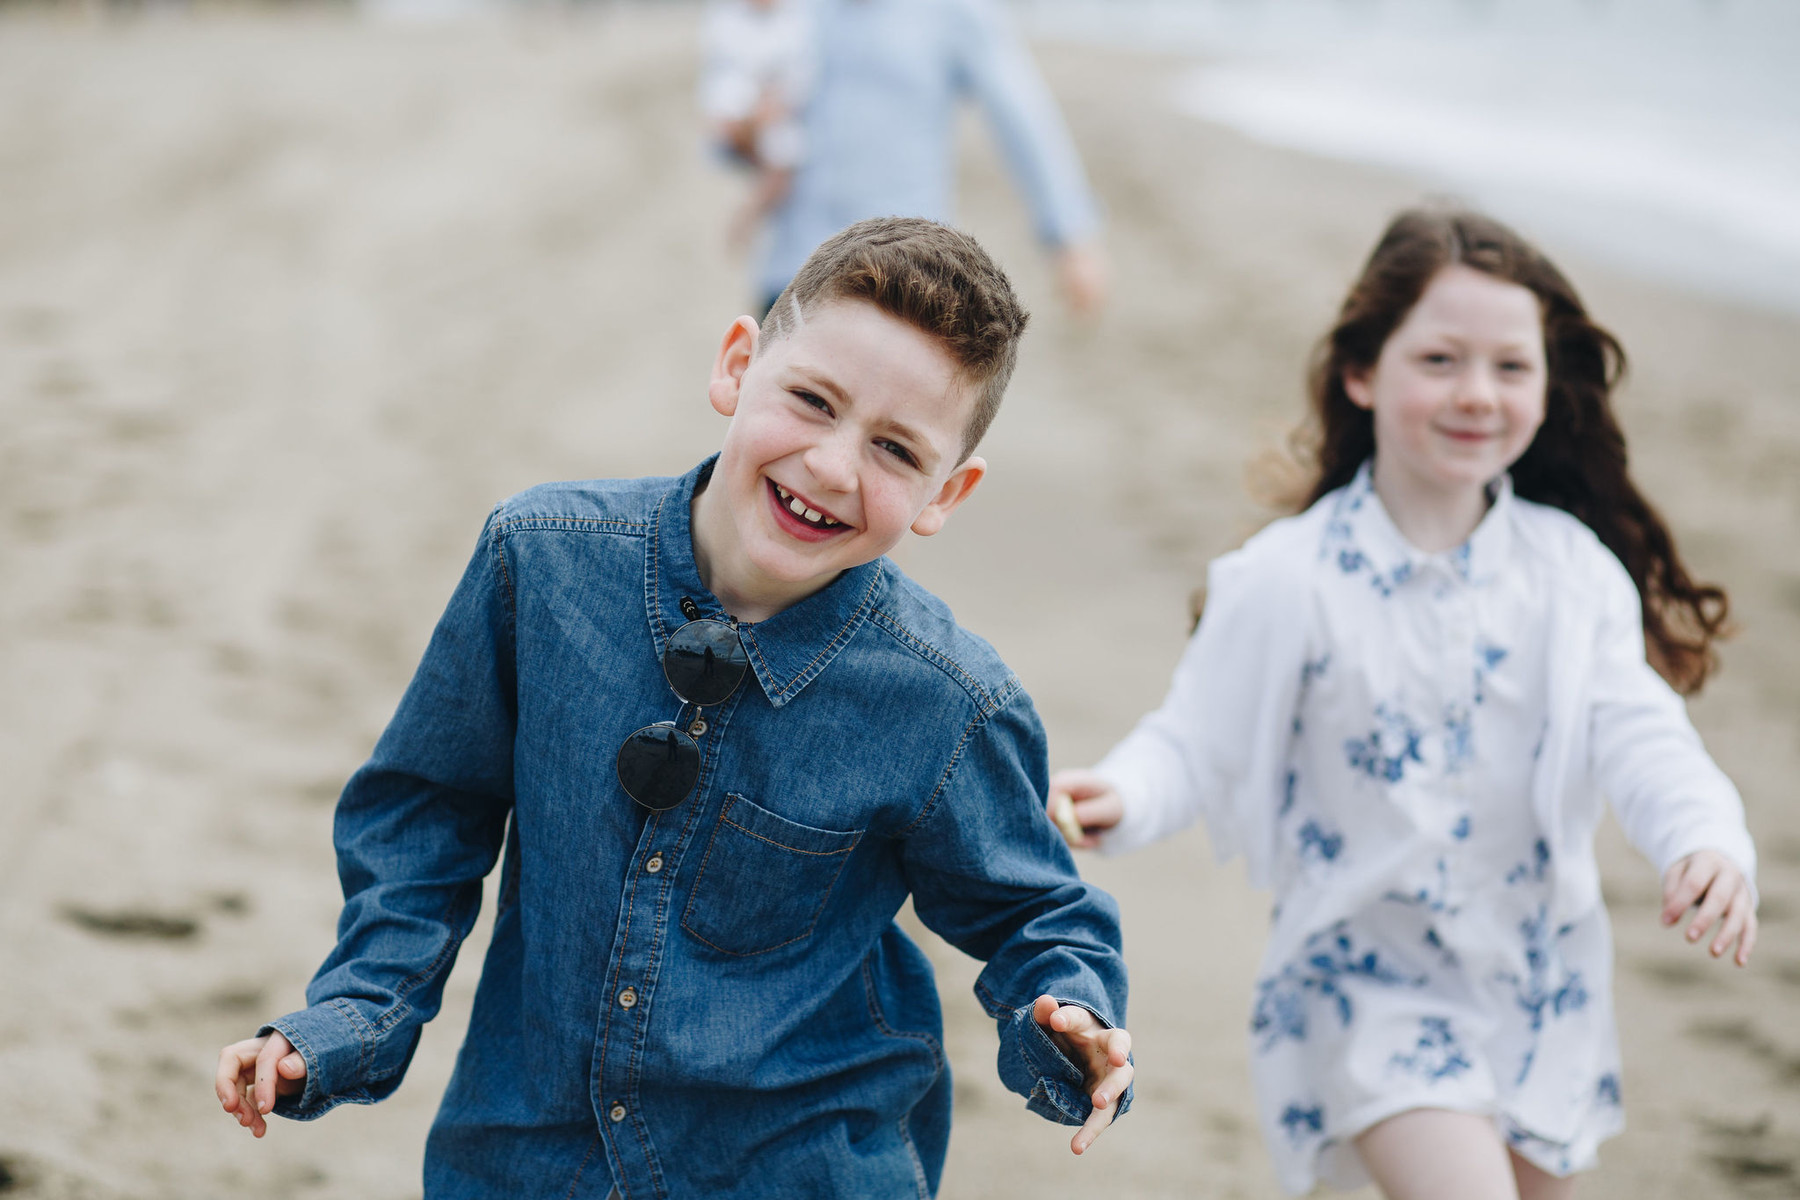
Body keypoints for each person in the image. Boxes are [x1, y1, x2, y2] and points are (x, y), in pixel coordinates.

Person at [214, 218, 1134, 1198]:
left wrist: (1066, 1018)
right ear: (738, 366)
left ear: (947, 492)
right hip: (525, 1155)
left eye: (896, 451)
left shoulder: (948, 703)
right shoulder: (540, 560)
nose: (831, 465)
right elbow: (428, 816)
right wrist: (353, 1017)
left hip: (804, 1166)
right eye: (812, 401)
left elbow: (1036, 912)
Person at [1049, 208, 1757, 1199]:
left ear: (1547, 391)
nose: (1477, 393)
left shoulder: (1570, 573)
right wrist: (1122, 793)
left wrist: (1705, 837)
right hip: (1366, 984)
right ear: (1363, 373)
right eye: (1440, 359)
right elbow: (1192, 740)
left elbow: (1640, 731)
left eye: (1511, 367)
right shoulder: (1287, 578)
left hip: (1540, 987)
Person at [744, 0, 1108, 319]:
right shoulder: (797, 9)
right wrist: (745, 131)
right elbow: (737, 131)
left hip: (898, 273)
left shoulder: (954, 10)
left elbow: (1021, 118)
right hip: (793, 267)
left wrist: (1070, 237)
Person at [698, 0, 813, 251]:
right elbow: (721, 86)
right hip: (744, 112)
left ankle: (751, 210)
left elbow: (801, 77)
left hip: (779, 111)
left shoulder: (802, 17)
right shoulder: (725, 21)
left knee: (782, 159)